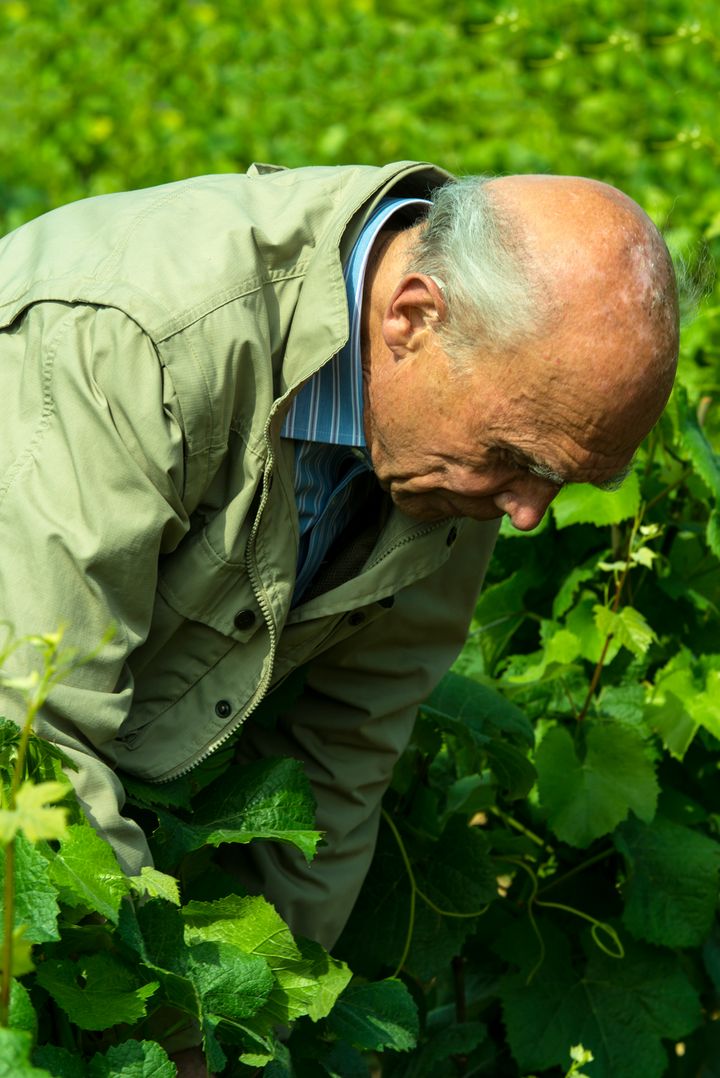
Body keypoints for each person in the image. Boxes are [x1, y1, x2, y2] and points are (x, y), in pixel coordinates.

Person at [0, 160, 678, 954]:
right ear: (413, 319)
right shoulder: (133, 344)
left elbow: (341, 750)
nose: (527, 512)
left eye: (564, 480)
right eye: (518, 458)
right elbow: (28, 737)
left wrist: (257, 1012)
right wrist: (162, 1008)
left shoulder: (465, 439)